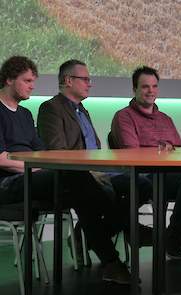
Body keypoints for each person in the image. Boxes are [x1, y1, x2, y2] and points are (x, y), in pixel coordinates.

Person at [0, 56, 132, 285]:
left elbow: (44, 154)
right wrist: (36, 167)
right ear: (9, 79)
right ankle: (126, 233)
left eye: (33, 81)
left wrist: (41, 166)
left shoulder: (24, 114)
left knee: (85, 194)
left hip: (35, 176)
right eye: (27, 80)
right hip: (7, 183)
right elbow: (1, 159)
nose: (32, 86)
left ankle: (111, 262)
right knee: (77, 179)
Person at [37, 60, 152, 276]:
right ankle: (126, 236)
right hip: (77, 173)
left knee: (141, 183)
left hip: (100, 170)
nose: (90, 84)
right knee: (91, 189)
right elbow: (56, 151)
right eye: (85, 79)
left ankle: (86, 234)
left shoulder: (83, 111)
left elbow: (95, 147)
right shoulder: (51, 108)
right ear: (68, 81)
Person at [111, 65, 181, 259]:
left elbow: (180, 149)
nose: (151, 91)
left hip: (172, 174)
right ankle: (173, 237)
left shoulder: (165, 118)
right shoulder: (124, 117)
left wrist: (170, 149)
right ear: (134, 89)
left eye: (154, 86)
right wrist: (163, 148)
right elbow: (133, 152)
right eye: (145, 87)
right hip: (145, 176)